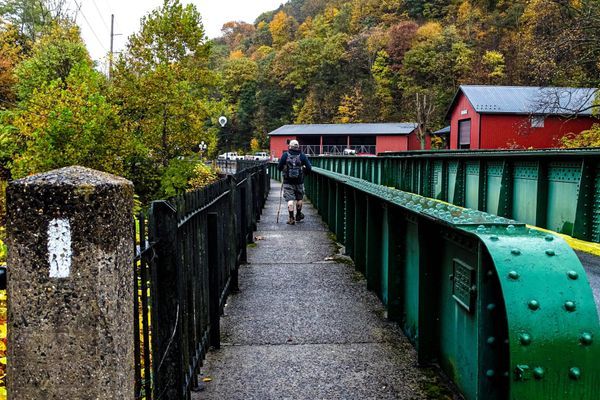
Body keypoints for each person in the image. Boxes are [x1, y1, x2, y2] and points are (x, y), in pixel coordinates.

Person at [278, 140, 312, 225]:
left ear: (290, 146)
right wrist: (304, 174)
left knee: (290, 200)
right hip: (299, 181)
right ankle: (298, 215)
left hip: (287, 181)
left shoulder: (285, 155)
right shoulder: (302, 156)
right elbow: (309, 168)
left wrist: (284, 170)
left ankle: (291, 218)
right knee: (299, 199)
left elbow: (279, 167)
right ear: (298, 147)